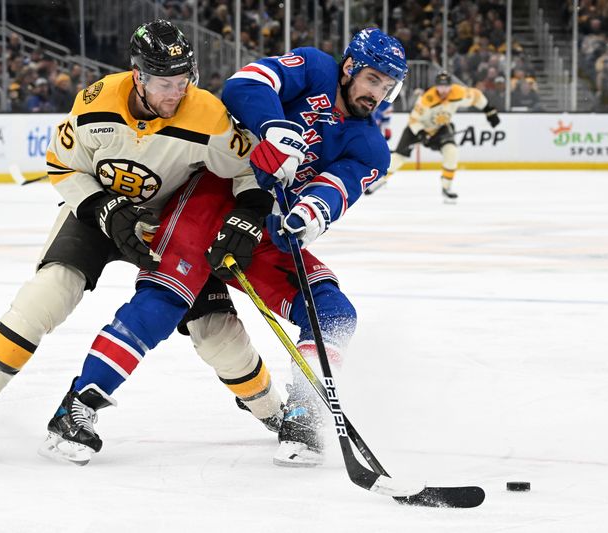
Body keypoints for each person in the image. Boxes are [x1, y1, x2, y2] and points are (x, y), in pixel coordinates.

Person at [38, 27, 408, 468]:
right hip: (212, 197)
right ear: (350, 67)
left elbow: (336, 186)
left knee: (333, 311)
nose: (378, 94)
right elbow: (244, 85)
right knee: (165, 299)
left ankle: (304, 414)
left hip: (265, 225)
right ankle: (77, 407)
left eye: (387, 87)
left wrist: (308, 214)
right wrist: (274, 129)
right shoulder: (314, 68)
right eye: (372, 80)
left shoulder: (371, 147)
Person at [0, 20, 281, 458]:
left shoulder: (207, 115)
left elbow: (249, 168)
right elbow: (61, 165)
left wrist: (249, 213)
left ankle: (272, 411)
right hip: (97, 211)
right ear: (139, 76)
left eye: (183, 80)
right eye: (165, 83)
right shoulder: (95, 104)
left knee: (217, 330)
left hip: (170, 224)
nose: (177, 93)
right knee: (48, 292)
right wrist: (102, 208)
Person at [388, 70, 500, 203]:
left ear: (450, 86)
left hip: (440, 128)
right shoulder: (426, 99)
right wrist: (421, 133)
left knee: (451, 152)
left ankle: (447, 187)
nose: (444, 90)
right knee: (399, 157)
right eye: (440, 86)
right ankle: (377, 181)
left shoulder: (458, 93)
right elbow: (414, 120)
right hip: (416, 129)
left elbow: (476, 96)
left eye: (446, 86)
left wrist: (489, 110)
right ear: (436, 86)